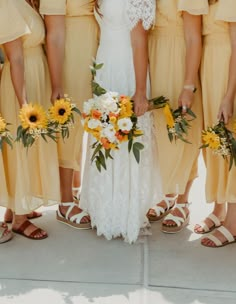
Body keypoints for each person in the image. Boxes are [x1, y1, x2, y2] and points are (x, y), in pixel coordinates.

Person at [80, 0, 161, 243]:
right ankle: (105, 209)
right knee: (105, 135)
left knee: (126, 138)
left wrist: (139, 90)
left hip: (127, 69)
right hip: (106, 70)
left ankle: (126, 213)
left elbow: (139, 41)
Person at [0, 0, 61, 239]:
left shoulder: (25, 2)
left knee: (26, 147)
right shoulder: (6, 4)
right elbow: (15, 58)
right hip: (21, 81)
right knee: (21, 148)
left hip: (36, 74)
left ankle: (14, 208)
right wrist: (23, 103)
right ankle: (20, 220)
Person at [39, 0, 99, 229]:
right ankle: (64, 201)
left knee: (85, 126)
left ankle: (75, 190)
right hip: (71, 55)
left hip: (94, 51)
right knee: (68, 127)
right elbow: (54, 34)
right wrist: (56, 83)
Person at [148, 0, 203, 233]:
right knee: (161, 131)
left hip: (178, 58)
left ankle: (183, 201)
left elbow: (193, 37)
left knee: (184, 132)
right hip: (155, 55)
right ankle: (168, 194)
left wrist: (189, 85)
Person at [195, 0, 236, 247]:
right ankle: (219, 208)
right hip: (209, 73)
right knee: (213, 145)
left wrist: (229, 96)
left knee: (229, 146)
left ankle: (233, 221)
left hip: (226, 74)